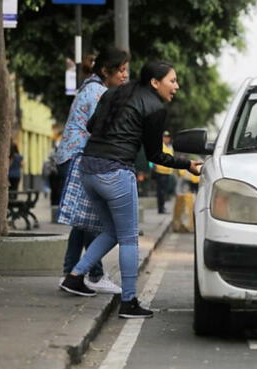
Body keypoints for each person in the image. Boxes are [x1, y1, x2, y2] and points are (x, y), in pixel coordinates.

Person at [60, 61, 203, 319]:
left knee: (112, 231)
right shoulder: (155, 108)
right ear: (155, 82)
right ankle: (129, 302)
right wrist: (187, 164)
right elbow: (156, 154)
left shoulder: (113, 92)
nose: (177, 86)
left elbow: (92, 126)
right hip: (116, 173)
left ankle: (75, 276)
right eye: (172, 81)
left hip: (89, 169)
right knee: (128, 238)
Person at [56, 47, 130, 294]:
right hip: (80, 157)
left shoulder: (90, 87)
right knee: (91, 219)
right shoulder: (99, 93)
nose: (125, 75)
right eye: (121, 70)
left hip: (72, 156)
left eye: (126, 70)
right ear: (105, 71)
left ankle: (70, 273)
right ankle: (95, 275)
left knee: (81, 220)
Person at [153, 130, 174, 214]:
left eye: (168, 137)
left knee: (164, 191)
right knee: (160, 192)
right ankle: (160, 209)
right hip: (160, 171)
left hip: (167, 172)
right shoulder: (160, 146)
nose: (166, 139)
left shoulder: (170, 147)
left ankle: (162, 207)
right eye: (165, 137)